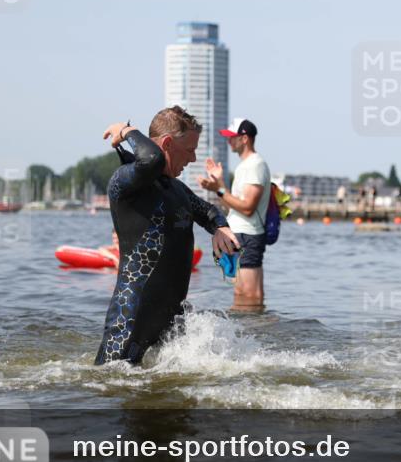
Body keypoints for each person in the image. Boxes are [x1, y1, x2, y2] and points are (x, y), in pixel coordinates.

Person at [95, 107, 238, 365]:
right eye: (190, 149)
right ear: (168, 143)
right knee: (110, 390)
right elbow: (151, 159)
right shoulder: (125, 183)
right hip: (130, 320)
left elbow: (208, 211)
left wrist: (220, 227)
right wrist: (126, 130)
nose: (193, 158)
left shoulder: (176, 189)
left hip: (169, 318)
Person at [199, 118, 271, 310]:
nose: (229, 141)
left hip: (249, 234)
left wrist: (219, 190)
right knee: (240, 292)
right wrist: (220, 183)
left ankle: (256, 334)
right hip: (240, 234)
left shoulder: (255, 165)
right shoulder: (244, 166)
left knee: (249, 293)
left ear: (245, 138)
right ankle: (245, 335)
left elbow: (247, 207)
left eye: (232, 137)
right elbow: (233, 207)